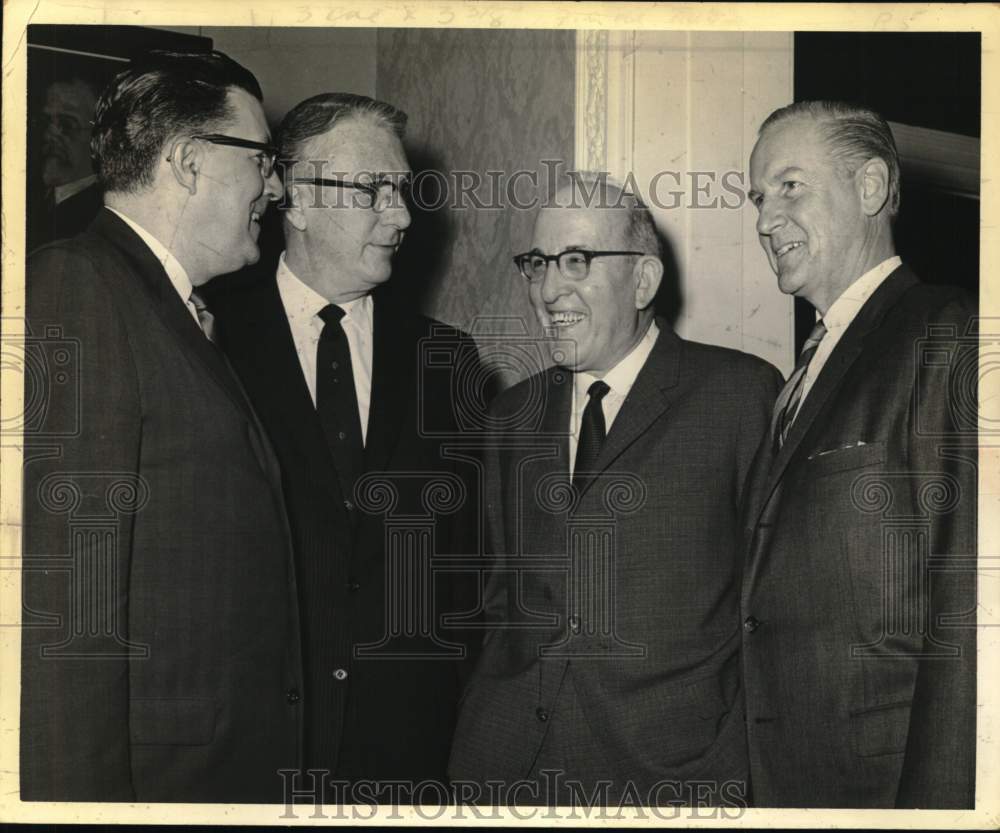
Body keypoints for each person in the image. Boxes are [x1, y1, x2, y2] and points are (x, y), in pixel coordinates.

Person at [447, 177, 782, 806]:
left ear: (645, 281)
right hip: (503, 769)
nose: (549, 290)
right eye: (538, 264)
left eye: (577, 261)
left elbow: (770, 614)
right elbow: (498, 603)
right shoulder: (510, 414)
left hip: (671, 777)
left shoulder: (740, 395)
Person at [21, 50, 299, 803]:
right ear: (186, 160)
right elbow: (68, 605)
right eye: (262, 160)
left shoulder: (173, 309)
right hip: (151, 781)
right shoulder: (78, 285)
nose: (273, 188)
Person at [207, 92, 482, 800]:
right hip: (250, 745)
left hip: (405, 753)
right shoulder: (207, 340)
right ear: (295, 200)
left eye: (402, 190)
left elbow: (465, 574)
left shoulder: (446, 361)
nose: (401, 215)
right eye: (374, 190)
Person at [742, 100, 977, 808]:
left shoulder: (949, 330)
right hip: (789, 781)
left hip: (885, 787)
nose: (762, 219)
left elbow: (969, 608)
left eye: (790, 186)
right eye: (758, 197)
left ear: (871, 188)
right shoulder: (801, 374)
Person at [28, 75, 104, 251]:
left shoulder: (100, 215)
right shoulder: (27, 192)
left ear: (99, 137)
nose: (49, 135)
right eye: (45, 122)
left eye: (67, 124)